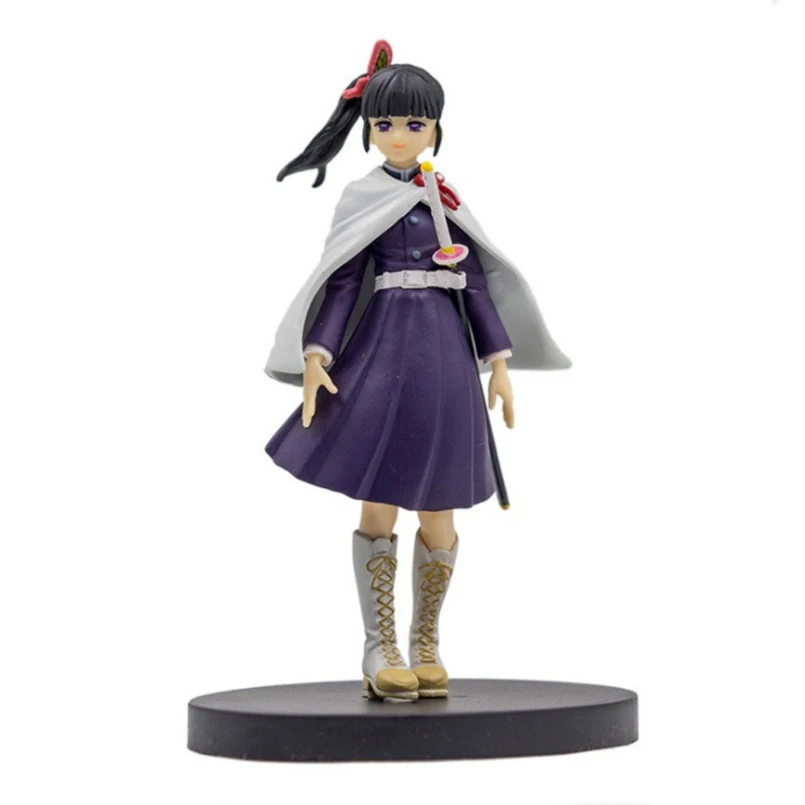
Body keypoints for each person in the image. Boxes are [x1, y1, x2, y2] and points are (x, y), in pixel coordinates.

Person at [264, 40, 570, 700]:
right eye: (384, 124)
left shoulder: (444, 197)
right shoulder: (362, 197)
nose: (399, 135)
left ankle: (426, 640)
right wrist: (317, 354)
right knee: (380, 492)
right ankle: (380, 646)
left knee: (440, 505)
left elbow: (475, 285)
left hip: (446, 359)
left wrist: (499, 362)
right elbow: (342, 282)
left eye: (414, 123)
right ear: (368, 130)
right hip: (383, 352)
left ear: (434, 128)